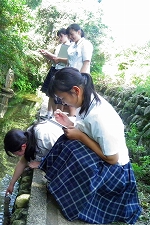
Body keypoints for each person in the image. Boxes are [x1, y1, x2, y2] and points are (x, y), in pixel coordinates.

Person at [31, 67, 142, 224]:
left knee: (78, 156)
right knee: (67, 141)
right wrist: (69, 123)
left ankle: (72, 204)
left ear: (75, 90)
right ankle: (58, 187)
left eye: (62, 98)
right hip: (107, 157)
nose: (63, 103)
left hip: (117, 172)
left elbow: (112, 159)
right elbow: (87, 130)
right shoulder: (87, 102)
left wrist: (80, 136)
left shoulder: (99, 115)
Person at [3, 120, 64, 195]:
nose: (17, 156)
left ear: (23, 146)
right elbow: (22, 162)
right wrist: (11, 185)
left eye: (16, 153)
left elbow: (63, 156)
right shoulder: (28, 136)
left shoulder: (44, 138)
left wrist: (41, 164)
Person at [54, 23, 93, 116]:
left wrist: (80, 79)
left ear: (78, 32)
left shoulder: (85, 44)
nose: (71, 37)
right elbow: (69, 61)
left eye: (72, 34)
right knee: (70, 101)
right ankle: (71, 121)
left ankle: (74, 121)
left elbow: (86, 62)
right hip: (70, 76)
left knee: (76, 100)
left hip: (81, 77)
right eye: (69, 35)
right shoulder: (72, 46)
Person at [39, 28, 71, 118]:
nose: (60, 38)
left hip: (62, 71)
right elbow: (55, 60)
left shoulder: (70, 47)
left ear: (66, 35)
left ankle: (56, 116)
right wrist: (46, 55)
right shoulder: (59, 46)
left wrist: (49, 54)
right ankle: (49, 114)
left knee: (60, 95)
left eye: (61, 36)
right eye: (59, 36)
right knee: (51, 93)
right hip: (54, 68)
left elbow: (65, 61)